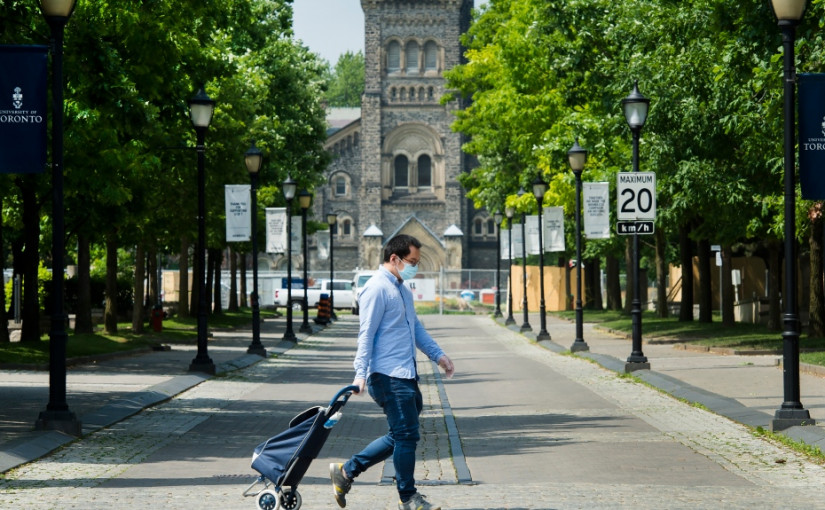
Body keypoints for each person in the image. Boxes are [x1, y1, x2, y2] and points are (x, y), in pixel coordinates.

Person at [330, 234, 455, 510]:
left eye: (418, 262)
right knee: (407, 435)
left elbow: (416, 329)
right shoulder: (376, 289)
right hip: (386, 376)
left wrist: (438, 355)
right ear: (394, 258)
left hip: (406, 374)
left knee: (400, 434)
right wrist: (359, 374)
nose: (415, 267)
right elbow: (366, 334)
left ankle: (346, 471)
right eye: (411, 261)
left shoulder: (401, 288)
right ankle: (408, 497)